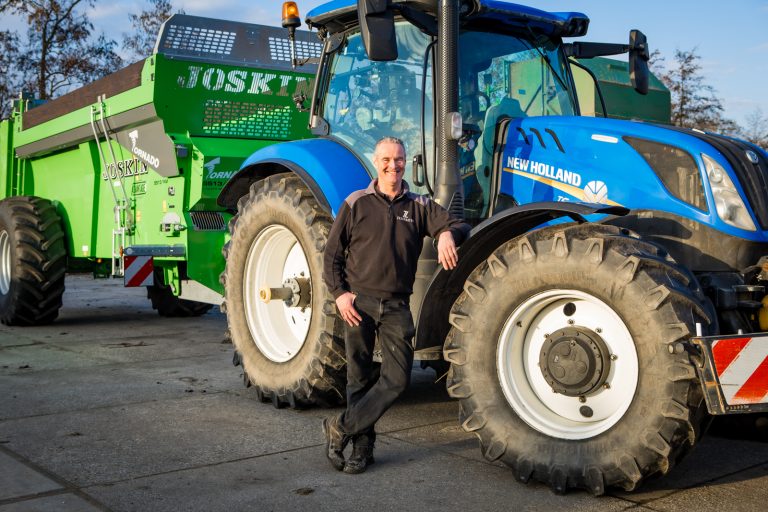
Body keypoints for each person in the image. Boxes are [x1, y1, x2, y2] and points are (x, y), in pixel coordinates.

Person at [322, 136, 470, 474]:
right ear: (376, 162)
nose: (393, 165)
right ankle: (362, 448)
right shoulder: (356, 202)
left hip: (396, 305)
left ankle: (340, 427)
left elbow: (461, 224)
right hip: (358, 302)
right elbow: (332, 255)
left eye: (399, 159)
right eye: (387, 159)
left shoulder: (418, 205)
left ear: (407, 162)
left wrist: (447, 233)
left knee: (397, 379)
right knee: (359, 378)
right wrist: (340, 294)